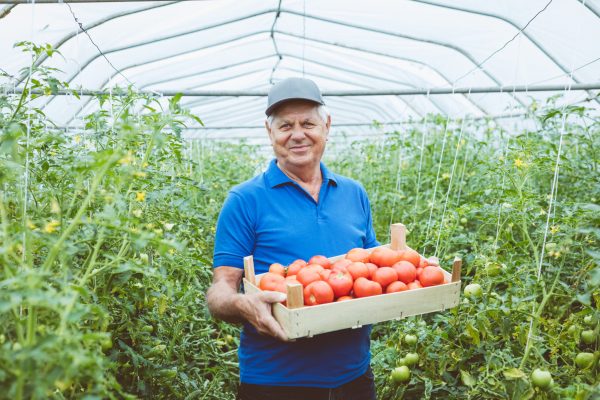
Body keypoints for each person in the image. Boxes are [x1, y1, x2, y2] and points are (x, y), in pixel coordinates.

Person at [207, 77, 379, 400]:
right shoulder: (245, 201)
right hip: (275, 382)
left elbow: (373, 272)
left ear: (327, 126)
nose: (298, 134)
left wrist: (417, 278)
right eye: (285, 125)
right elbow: (219, 291)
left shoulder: (354, 194)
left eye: (308, 123)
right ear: (269, 132)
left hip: (355, 378)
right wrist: (241, 304)